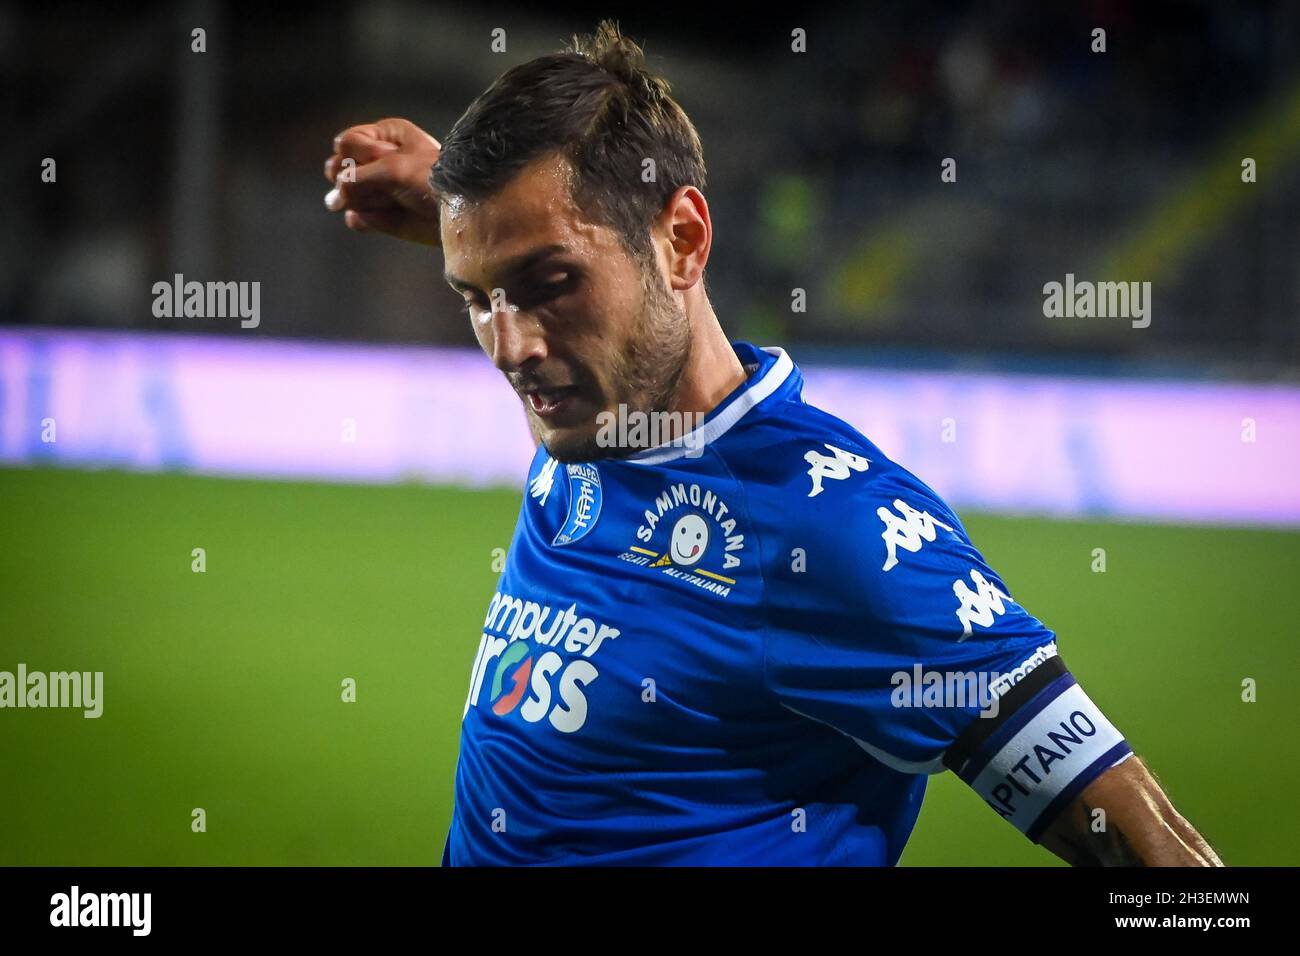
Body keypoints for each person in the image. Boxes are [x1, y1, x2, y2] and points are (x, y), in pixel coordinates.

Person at [323, 20, 1222, 866]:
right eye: (475, 297)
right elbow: (554, 224)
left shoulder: (832, 531)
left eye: (549, 283)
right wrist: (455, 199)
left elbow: (1150, 854)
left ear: (682, 240)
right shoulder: (597, 414)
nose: (511, 347)